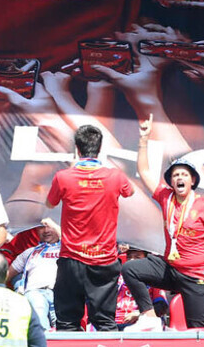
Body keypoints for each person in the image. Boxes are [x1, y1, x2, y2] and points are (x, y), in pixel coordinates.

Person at [124, 117, 204, 331]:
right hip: (170, 267)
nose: (179, 177)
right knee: (130, 269)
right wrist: (143, 139)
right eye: (175, 175)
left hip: (195, 274)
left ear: (192, 181)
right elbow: (144, 172)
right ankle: (149, 316)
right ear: (171, 181)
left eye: (184, 174)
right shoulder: (165, 197)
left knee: (197, 330)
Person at [47, 124, 135, 331]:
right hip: (103, 259)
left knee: (67, 322)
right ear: (100, 147)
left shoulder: (64, 177)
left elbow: (50, 203)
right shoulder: (115, 176)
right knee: (105, 322)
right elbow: (129, 192)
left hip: (72, 260)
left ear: (77, 148)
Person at [8, 219, 61, 332]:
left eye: (49, 226)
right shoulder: (29, 252)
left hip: (60, 293)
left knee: (63, 328)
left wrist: (55, 225)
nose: (46, 230)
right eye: (41, 227)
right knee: (38, 312)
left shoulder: (66, 249)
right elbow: (7, 275)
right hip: (34, 293)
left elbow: (73, 243)